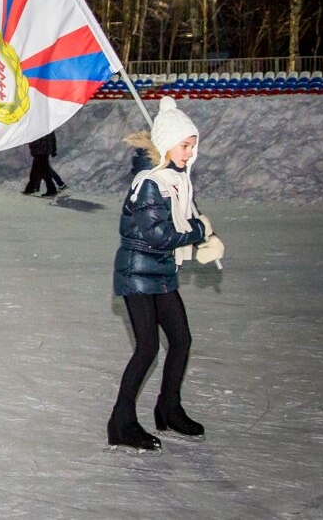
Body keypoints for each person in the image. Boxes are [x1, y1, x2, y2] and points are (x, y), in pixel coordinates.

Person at [107, 96, 225, 452]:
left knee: (182, 340)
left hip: (161, 273)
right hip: (137, 275)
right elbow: (158, 234)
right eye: (185, 145)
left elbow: (179, 222)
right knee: (147, 348)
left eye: (193, 146)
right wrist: (199, 232)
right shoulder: (149, 183)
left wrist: (203, 242)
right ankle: (121, 423)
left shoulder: (176, 179)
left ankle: (168, 408)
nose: (190, 153)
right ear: (167, 143)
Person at [23, 132, 61, 197]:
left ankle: (51, 190)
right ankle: (30, 189)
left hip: (40, 152)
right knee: (36, 171)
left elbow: (34, 139)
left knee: (43, 172)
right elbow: (52, 138)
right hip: (43, 151)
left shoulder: (38, 128)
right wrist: (53, 150)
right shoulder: (48, 126)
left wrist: (33, 148)